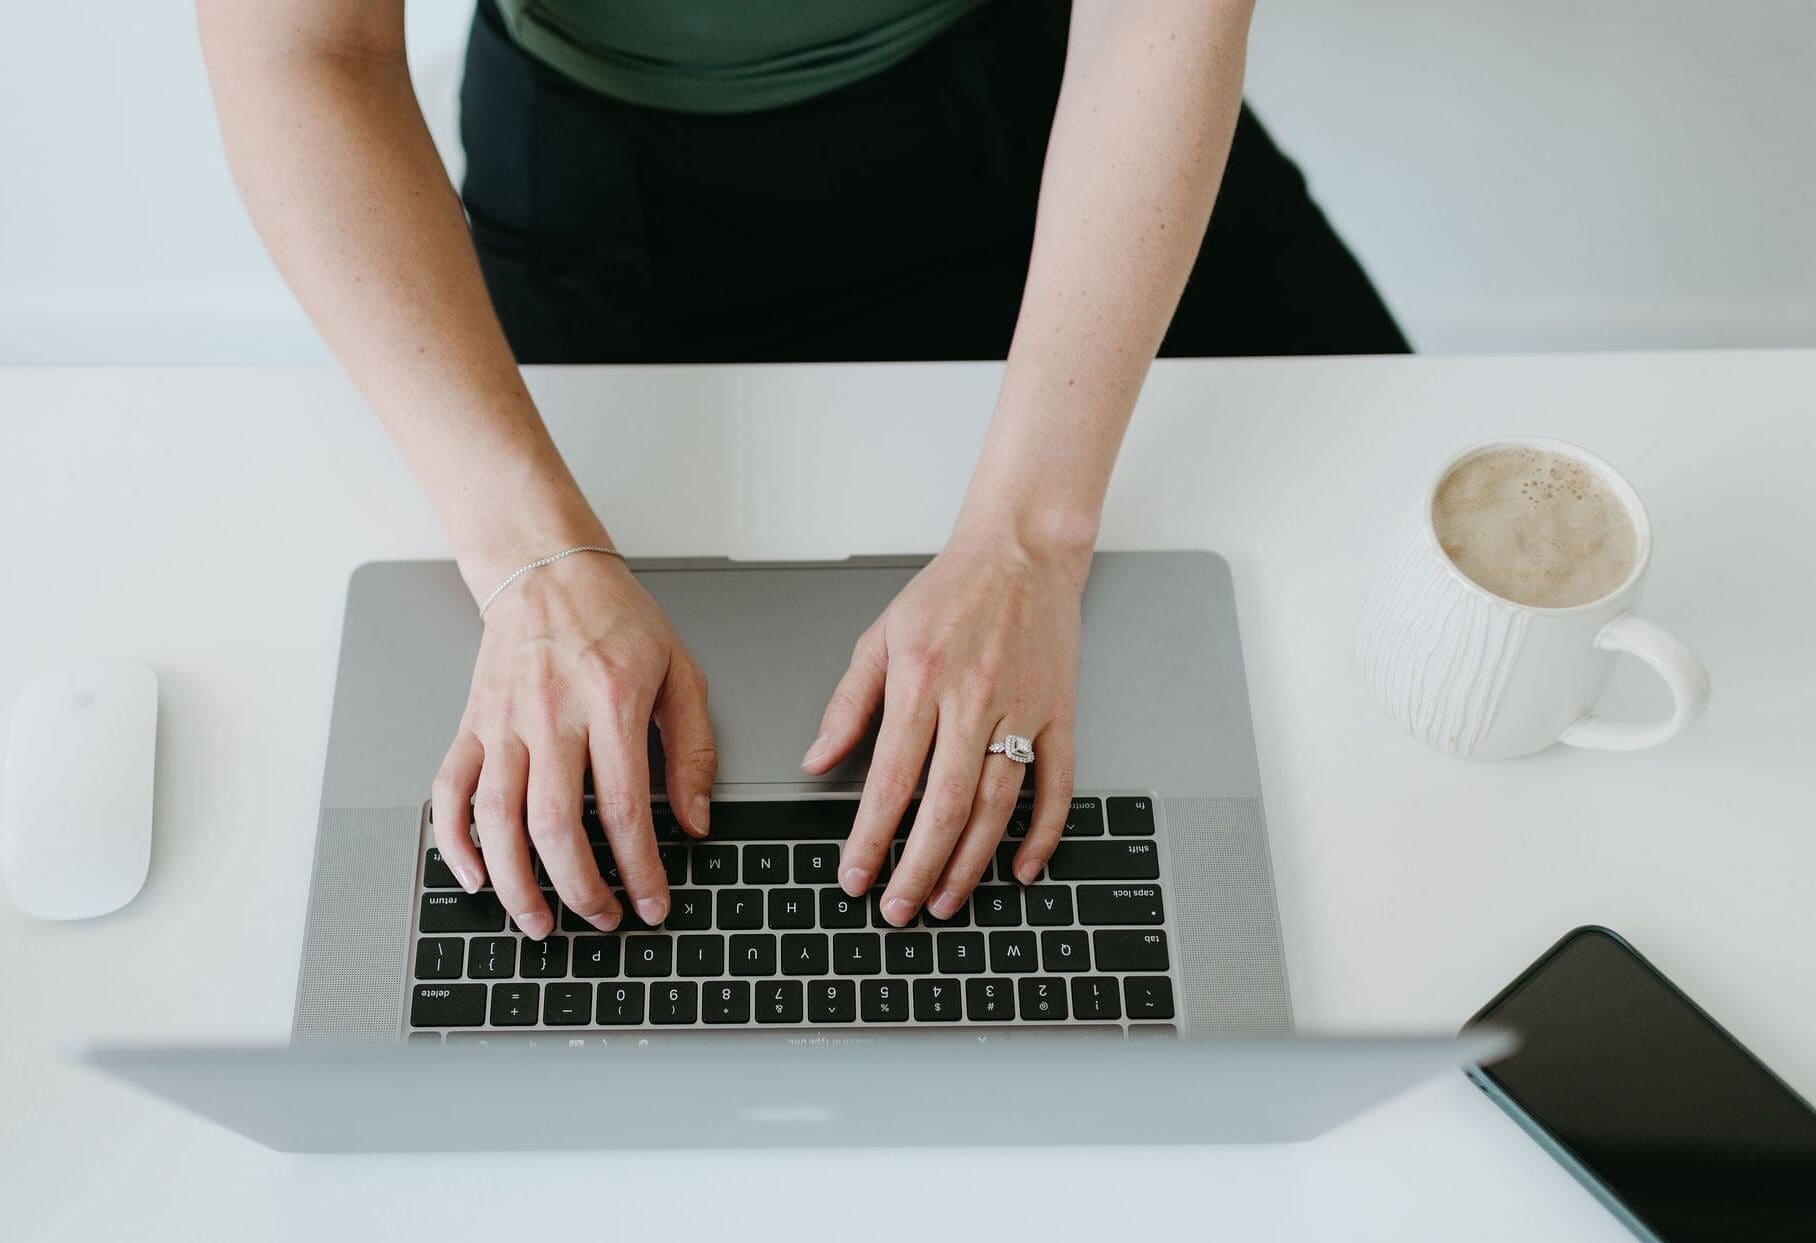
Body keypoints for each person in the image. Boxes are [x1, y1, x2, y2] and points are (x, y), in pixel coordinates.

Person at [196, 0, 1406, 942]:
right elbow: (302, 48)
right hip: (601, 180)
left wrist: (1029, 545)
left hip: (1050, 110)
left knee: (1388, 588)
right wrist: (531, 558)